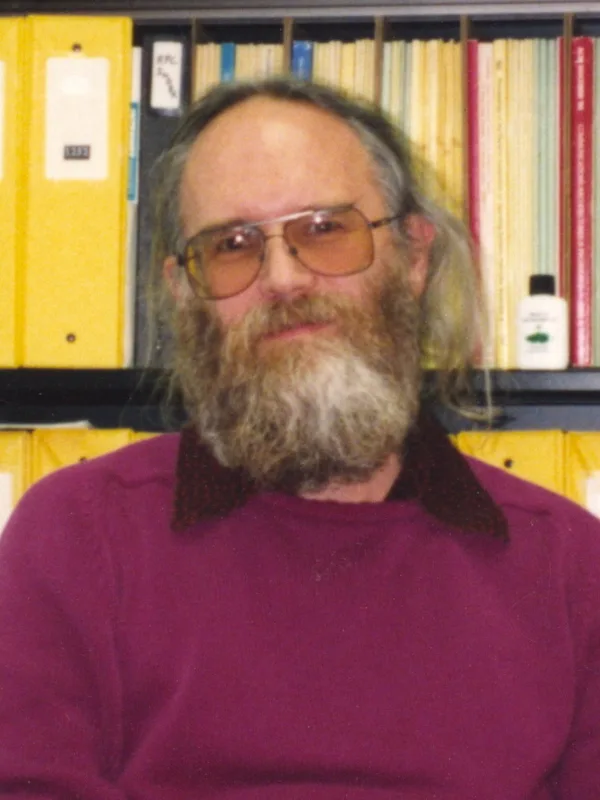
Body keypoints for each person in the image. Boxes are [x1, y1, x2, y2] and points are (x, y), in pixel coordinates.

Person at [0, 77, 599, 800]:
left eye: (324, 229)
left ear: (413, 259)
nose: (282, 278)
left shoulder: (568, 566)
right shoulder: (77, 537)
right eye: (233, 244)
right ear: (184, 293)